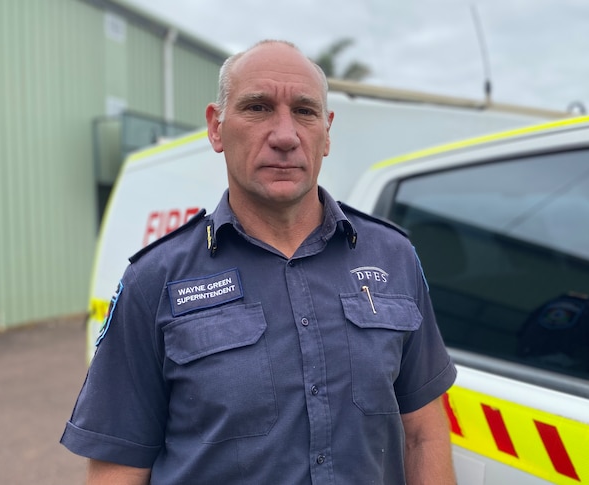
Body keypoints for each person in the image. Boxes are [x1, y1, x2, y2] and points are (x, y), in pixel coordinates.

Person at [60, 39, 457, 484]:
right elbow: (119, 469)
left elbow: (424, 434)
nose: (285, 136)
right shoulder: (153, 280)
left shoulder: (393, 257)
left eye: (305, 112)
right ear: (216, 127)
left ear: (326, 133)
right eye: (258, 108)